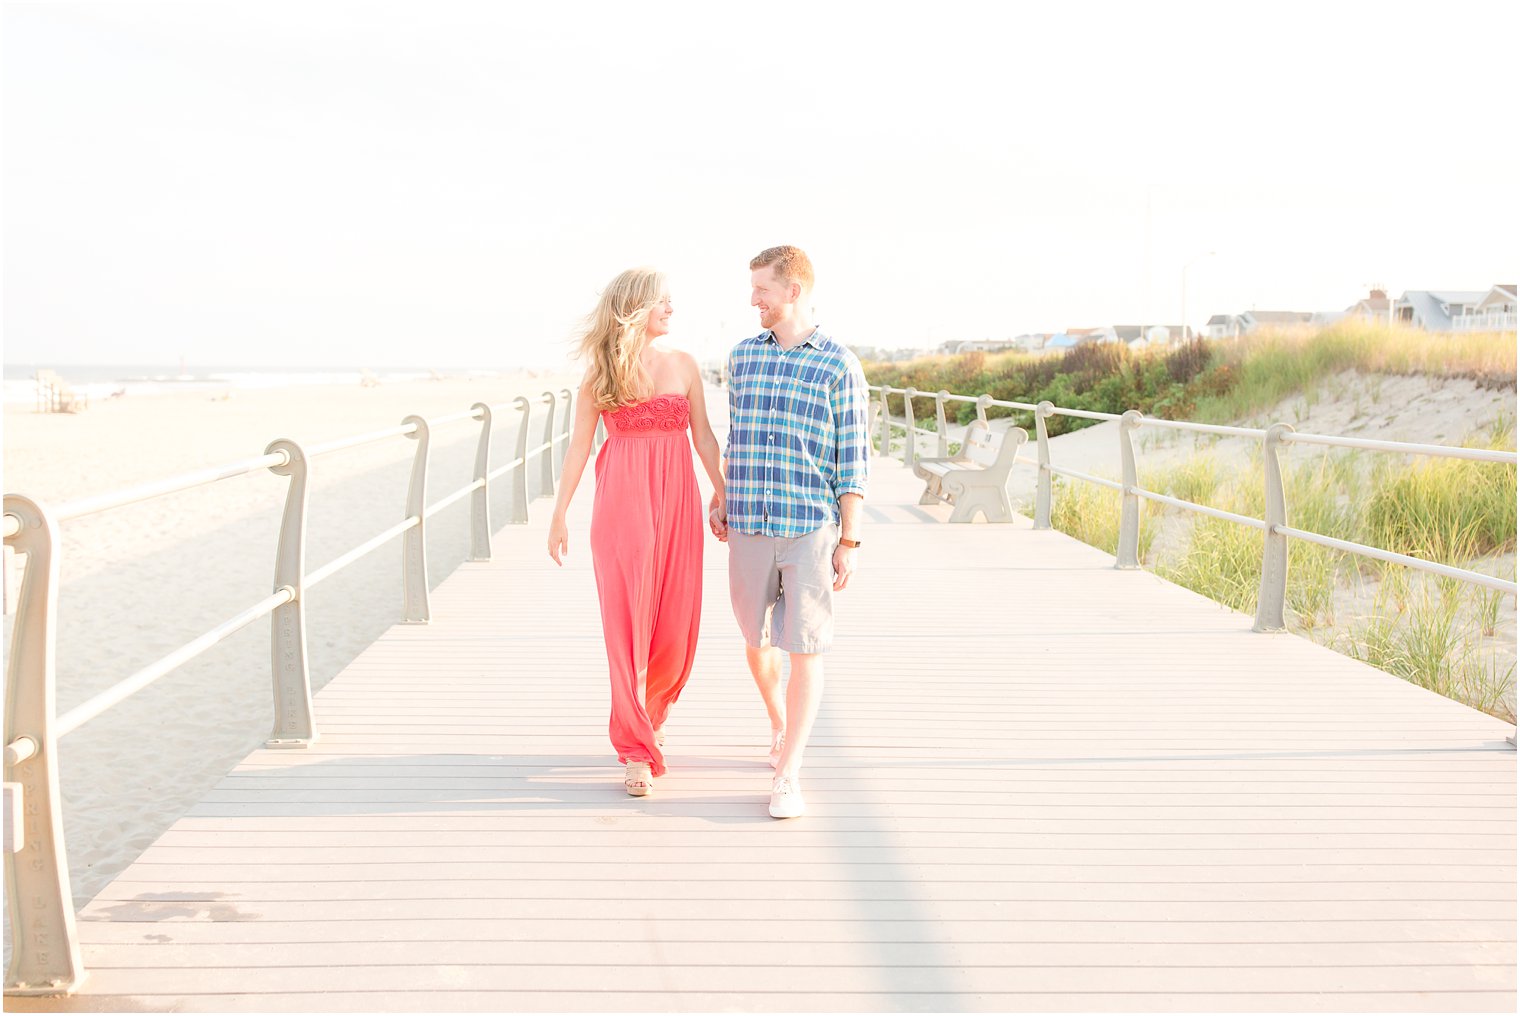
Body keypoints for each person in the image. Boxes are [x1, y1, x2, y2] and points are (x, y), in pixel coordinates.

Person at [549, 268, 725, 796]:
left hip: (677, 504)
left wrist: (724, 493)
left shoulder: (685, 365)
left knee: (674, 625)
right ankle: (634, 750)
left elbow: (706, 439)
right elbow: (579, 447)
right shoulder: (601, 373)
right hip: (622, 506)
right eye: (662, 302)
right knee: (628, 627)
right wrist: (559, 514)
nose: (672, 310)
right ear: (635, 308)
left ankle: (652, 714)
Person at [709, 246, 869, 819]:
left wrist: (849, 541)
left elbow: (852, 459)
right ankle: (778, 721)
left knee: (805, 647)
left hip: (809, 526)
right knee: (757, 642)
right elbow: (738, 436)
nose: (753, 299)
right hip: (748, 521)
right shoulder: (743, 358)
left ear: (793, 291)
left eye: (762, 290)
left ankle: (789, 773)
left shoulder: (838, 365)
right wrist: (722, 492)